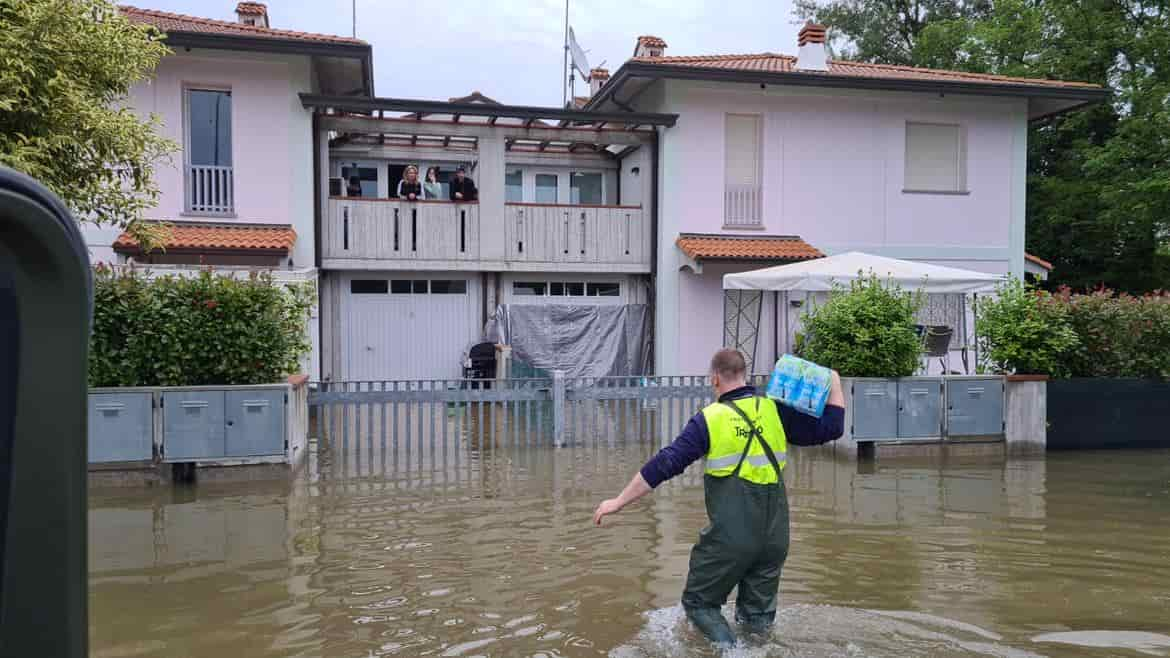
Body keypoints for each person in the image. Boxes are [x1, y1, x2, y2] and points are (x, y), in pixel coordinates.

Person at [593, 349, 846, 648]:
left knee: (699, 604)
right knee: (757, 618)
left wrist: (618, 501)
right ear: (745, 376)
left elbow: (665, 463)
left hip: (731, 538)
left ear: (714, 379)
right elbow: (832, 427)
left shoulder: (710, 420)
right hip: (775, 539)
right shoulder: (775, 410)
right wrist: (835, 380)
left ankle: (732, 653)